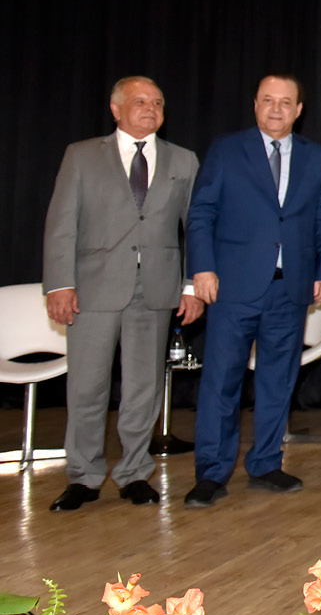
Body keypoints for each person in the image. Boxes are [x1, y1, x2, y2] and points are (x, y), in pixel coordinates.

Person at [42, 76, 203, 511]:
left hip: (156, 288)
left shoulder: (183, 160)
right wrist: (59, 284)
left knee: (143, 387)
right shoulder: (81, 156)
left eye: (157, 102)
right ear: (116, 109)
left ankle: (134, 472)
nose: (150, 108)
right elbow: (61, 224)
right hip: (92, 288)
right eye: (139, 101)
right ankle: (84, 477)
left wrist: (192, 285)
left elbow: (199, 229)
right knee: (87, 387)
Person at [184, 74, 321, 508]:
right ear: (255, 104)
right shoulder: (227, 150)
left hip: (289, 288)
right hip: (233, 286)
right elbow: (201, 214)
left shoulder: (316, 157)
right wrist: (203, 268)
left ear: (299, 109)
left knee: (278, 380)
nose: (276, 109)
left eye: (286, 102)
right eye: (268, 101)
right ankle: (211, 473)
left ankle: (267, 462)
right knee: (221, 381)